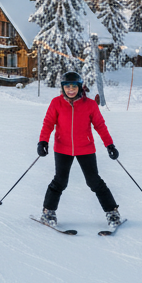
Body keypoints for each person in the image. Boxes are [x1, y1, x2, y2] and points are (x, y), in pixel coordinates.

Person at [38, 71, 121, 229]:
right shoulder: (56, 103)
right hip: (62, 148)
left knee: (94, 181)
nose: (70, 89)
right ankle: (48, 211)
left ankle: (112, 212)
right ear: (62, 87)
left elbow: (100, 125)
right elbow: (48, 123)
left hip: (85, 148)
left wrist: (109, 145)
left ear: (80, 87)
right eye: (67, 86)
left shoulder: (90, 105)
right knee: (60, 181)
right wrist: (42, 141)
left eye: (74, 86)